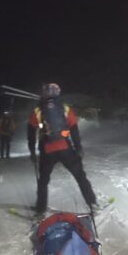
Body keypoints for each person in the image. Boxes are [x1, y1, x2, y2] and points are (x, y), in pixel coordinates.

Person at [27, 83, 97, 214]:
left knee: (43, 181)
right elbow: (74, 128)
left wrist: (32, 151)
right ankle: (92, 203)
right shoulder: (64, 108)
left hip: (47, 151)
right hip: (65, 148)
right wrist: (78, 147)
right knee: (80, 177)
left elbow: (31, 132)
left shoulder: (38, 111)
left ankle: (40, 209)